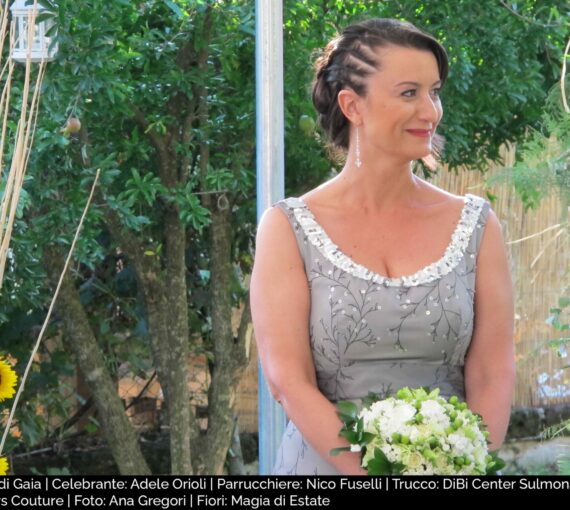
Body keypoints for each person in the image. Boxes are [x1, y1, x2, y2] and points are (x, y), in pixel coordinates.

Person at [250, 18, 515, 475]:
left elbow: (492, 372)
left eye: (434, 92)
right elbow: (288, 382)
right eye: (409, 93)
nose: (430, 111)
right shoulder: (286, 228)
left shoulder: (476, 225)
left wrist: (466, 465)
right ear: (352, 105)